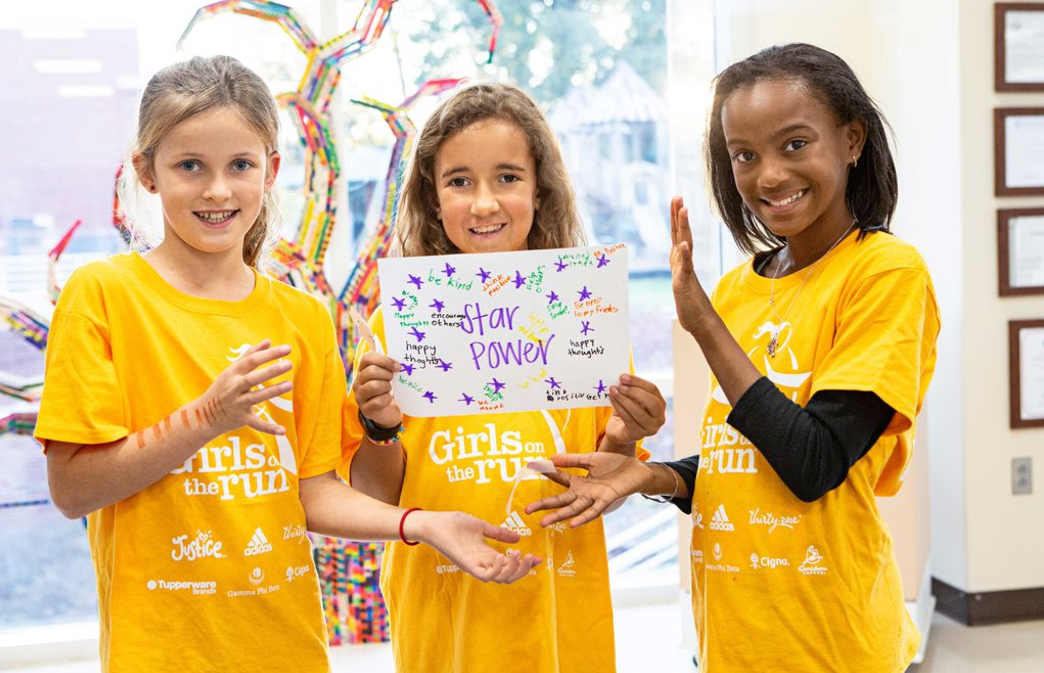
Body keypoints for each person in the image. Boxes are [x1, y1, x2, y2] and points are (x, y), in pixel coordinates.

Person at [35, 55, 539, 673]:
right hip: (161, 651)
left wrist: (421, 524)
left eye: (240, 165)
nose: (218, 190)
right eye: (189, 166)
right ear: (145, 171)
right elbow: (72, 490)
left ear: (271, 170)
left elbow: (316, 493)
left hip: (290, 647)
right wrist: (208, 416)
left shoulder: (302, 317)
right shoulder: (102, 294)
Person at [527, 43, 941, 673]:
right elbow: (744, 463)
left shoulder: (886, 273)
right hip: (732, 642)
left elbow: (813, 463)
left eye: (794, 144)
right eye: (744, 155)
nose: (767, 175)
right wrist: (654, 477)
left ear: (851, 139)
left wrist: (703, 326)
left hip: (833, 644)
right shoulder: (738, 289)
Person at [342, 81, 668, 673]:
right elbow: (374, 497)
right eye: (459, 181)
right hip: (443, 619)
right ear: (433, 199)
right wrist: (379, 427)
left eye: (508, 177)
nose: (484, 202)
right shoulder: (402, 323)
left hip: (557, 615)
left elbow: (600, 488)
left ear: (540, 191)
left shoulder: (585, 315)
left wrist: (624, 437)